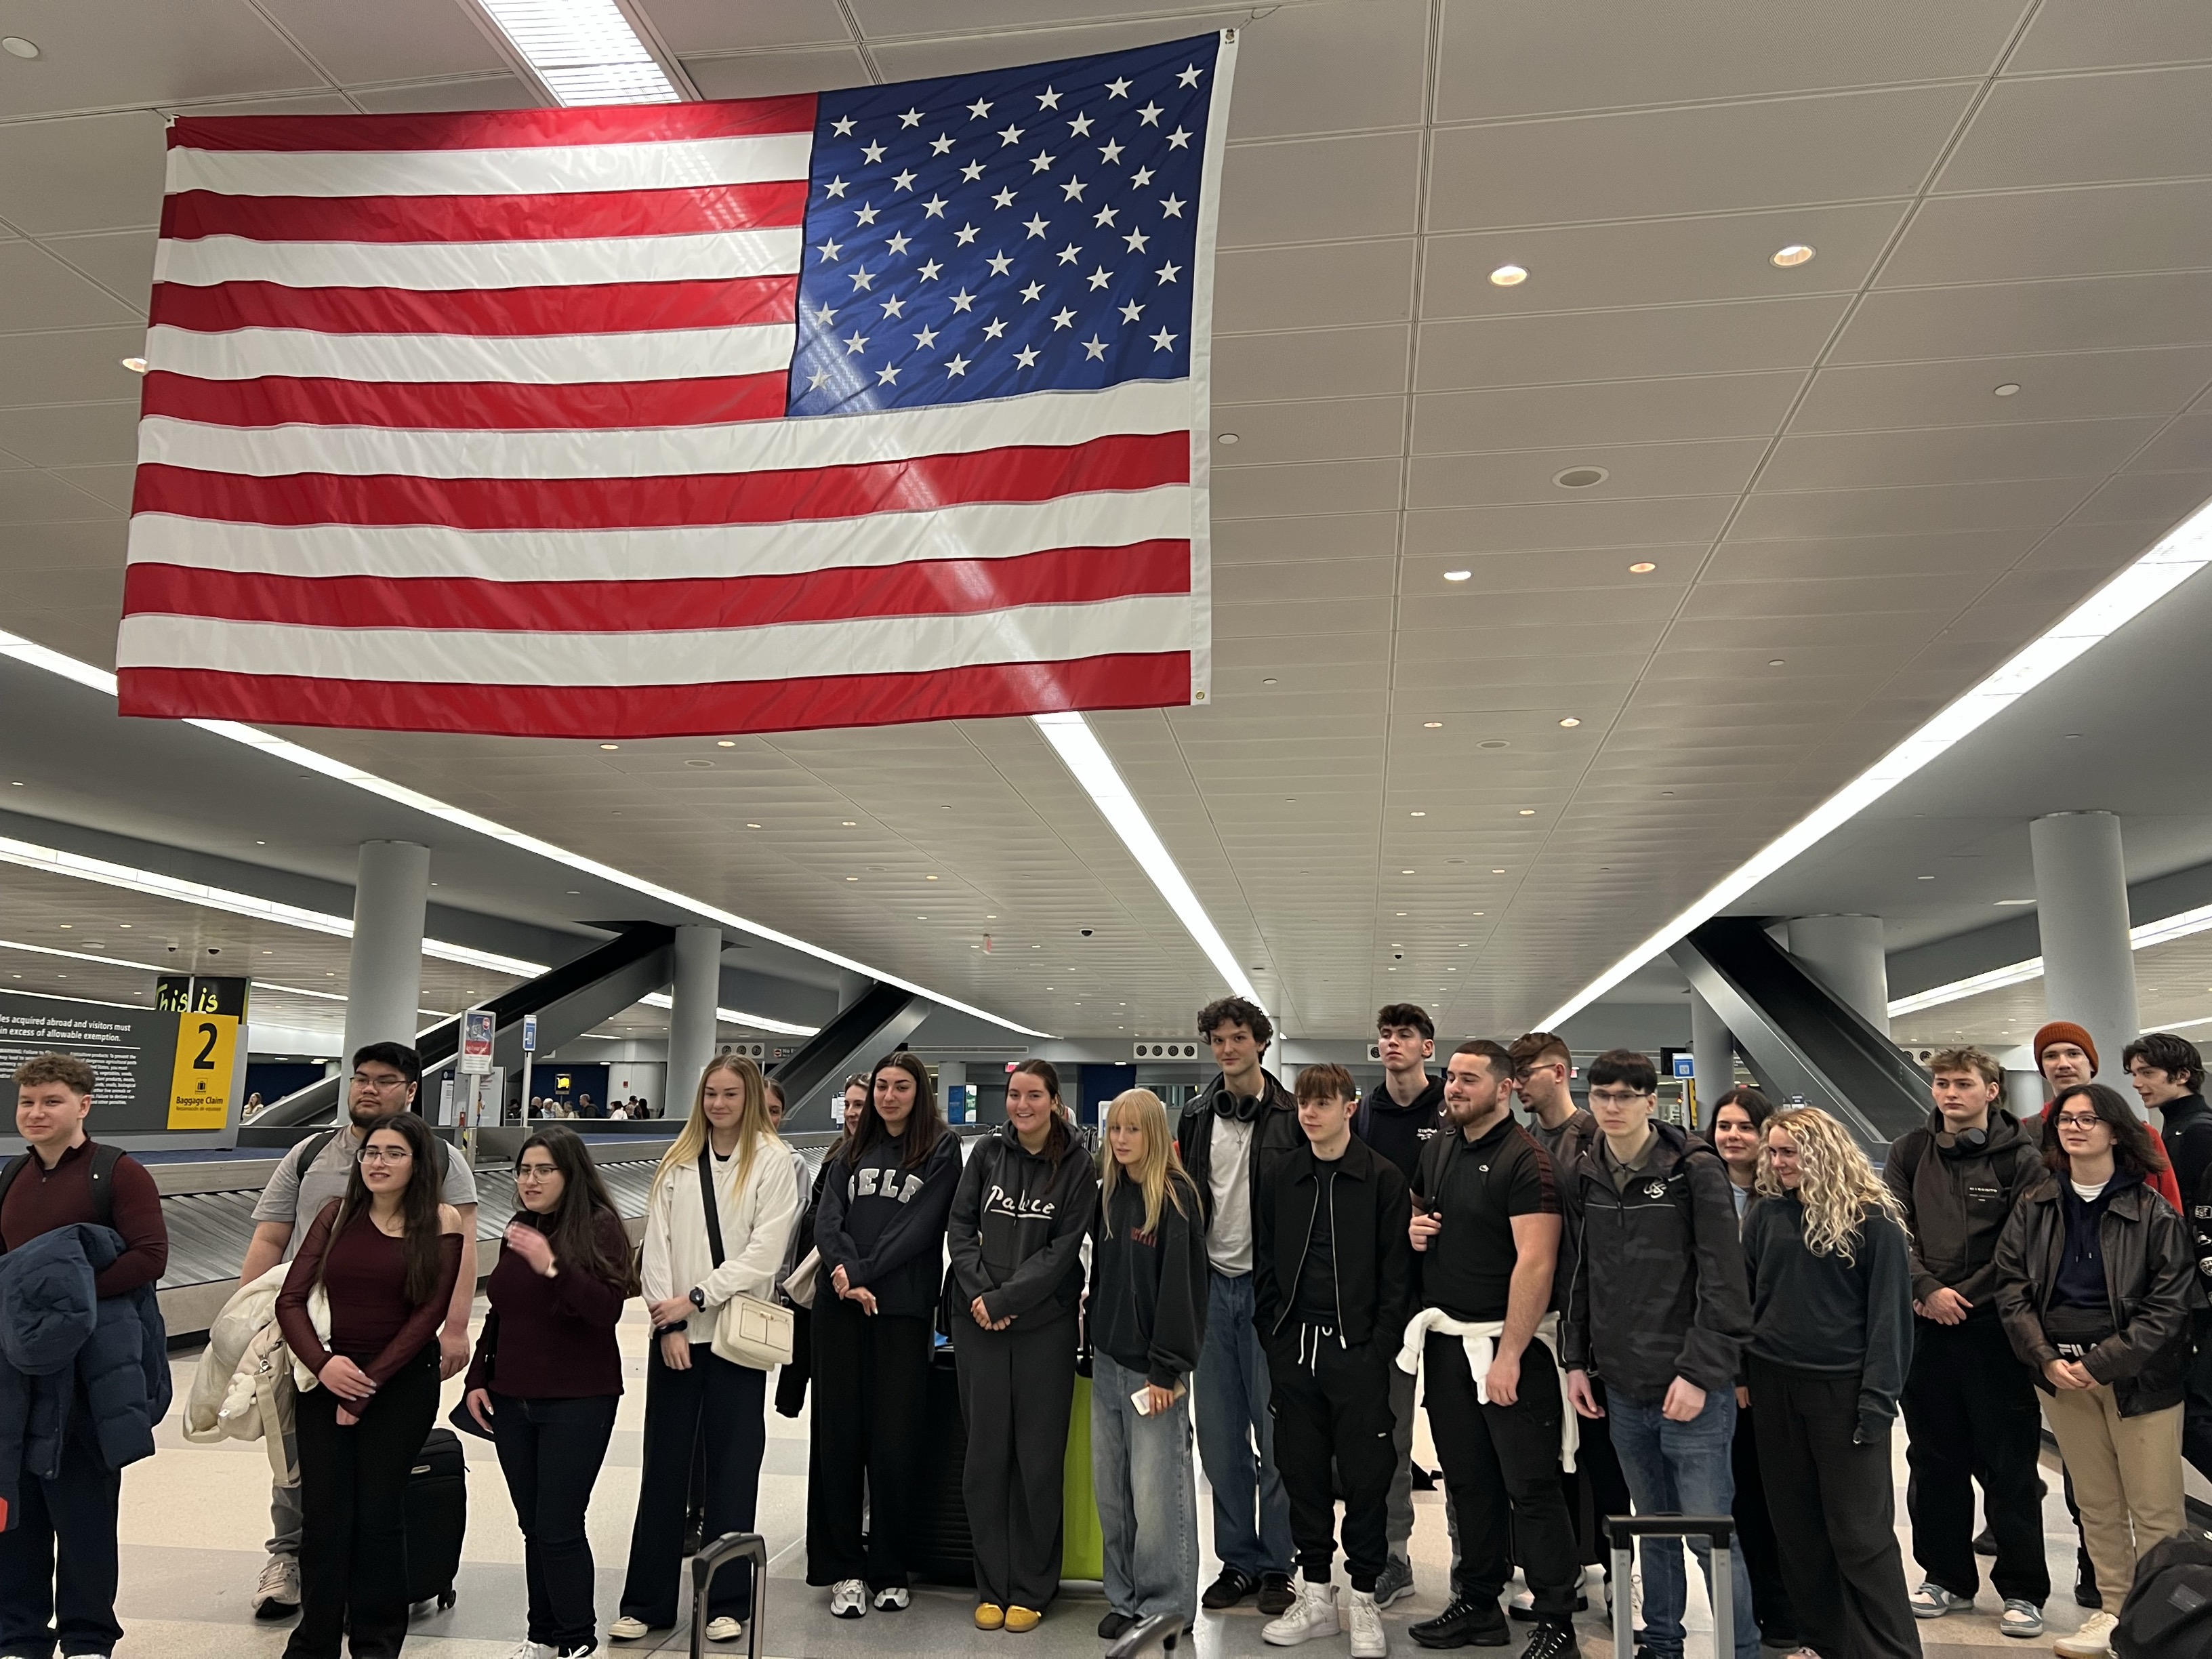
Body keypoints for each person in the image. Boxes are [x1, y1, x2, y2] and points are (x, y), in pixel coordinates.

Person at [239, 1042, 480, 1621]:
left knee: (372, 1477)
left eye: (385, 1081)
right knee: (297, 1460)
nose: (369, 1090)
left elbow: (462, 1249)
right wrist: (250, 1319)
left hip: (394, 1338)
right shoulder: (309, 1155)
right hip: (309, 1336)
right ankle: (289, 1558)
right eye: (361, 1079)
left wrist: (456, 1327)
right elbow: (272, 1241)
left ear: (411, 1091)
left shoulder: (440, 1160)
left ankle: (364, 1589)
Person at [1559, 1048, 1757, 1659]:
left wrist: (1700, 1373)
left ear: (1652, 1100)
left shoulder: (1693, 1170)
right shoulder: (1586, 1171)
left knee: (1707, 1535)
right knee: (1653, 1531)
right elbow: (1580, 1273)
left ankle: (1738, 1648)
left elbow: (1725, 1282)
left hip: (1691, 1386)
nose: (1611, 1107)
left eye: (1625, 1095)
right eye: (1601, 1096)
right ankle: (1662, 1644)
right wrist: (1575, 1360)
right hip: (1621, 1382)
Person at [1995, 1082, 2200, 1659]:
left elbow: (2169, 1306)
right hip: (2059, 1376)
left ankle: (2158, 1625)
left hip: (2138, 1380)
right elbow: (2011, 1288)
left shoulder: (2150, 1210)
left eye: (2088, 1118)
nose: (2074, 1127)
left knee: (2156, 1507)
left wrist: (2101, 1364)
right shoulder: (2035, 1204)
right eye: (2066, 1118)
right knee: (2096, 1504)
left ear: (2115, 1130)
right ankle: (2112, 1614)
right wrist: (2045, 1359)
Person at [610, 1054, 798, 1645]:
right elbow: (656, 1249)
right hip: (678, 1340)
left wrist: (697, 1297)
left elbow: (764, 1254)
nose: (719, 1105)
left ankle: (728, 1600)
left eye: (730, 1095)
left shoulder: (772, 1164)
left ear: (749, 1101)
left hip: (734, 1339)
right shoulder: (678, 1164)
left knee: (733, 1469)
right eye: (711, 1094)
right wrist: (668, 1323)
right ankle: (647, 1600)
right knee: (664, 1470)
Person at [1403, 1039, 1578, 1659]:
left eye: (1469, 1080)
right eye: (1451, 1078)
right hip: (1450, 1342)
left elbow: (1537, 1261)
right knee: (1469, 1483)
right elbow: (1420, 1206)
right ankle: (1479, 1605)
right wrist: (1417, 1226)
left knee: (1530, 1487)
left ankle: (1558, 1621)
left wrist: (1510, 1353)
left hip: (1511, 1350)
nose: (1453, 1089)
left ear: (1504, 1088)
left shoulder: (1528, 1161)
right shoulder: (1442, 1145)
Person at [276, 1111, 468, 1659]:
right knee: (325, 1518)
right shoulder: (337, 1215)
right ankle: (314, 1642)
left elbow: (427, 1314)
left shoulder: (442, 1221)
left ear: (419, 1164)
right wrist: (323, 1365)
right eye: (371, 1153)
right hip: (326, 1378)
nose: (377, 1162)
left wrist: (364, 1389)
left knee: (379, 1514)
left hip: (400, 1385)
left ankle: (376, 1643)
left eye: (393, 1153)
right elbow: (290, 1299)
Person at [0, 1053, 171, 1659]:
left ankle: (87, 1635)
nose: (36, 1113)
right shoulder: (12, 1176)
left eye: (51, 1101)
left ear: (83, 1106)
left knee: (84, 1509)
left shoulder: (117, 1174)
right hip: (21, 1372)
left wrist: (68, 1305)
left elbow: (150, 1257)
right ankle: (18, 1634)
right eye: (27, 1102)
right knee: (16, 1504)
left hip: (91, 1372)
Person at [1884, 1046, 2049, 1637]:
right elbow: (1892, 1228)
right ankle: (1945, 1578)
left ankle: (2024, 1589)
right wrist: (1926, 1288)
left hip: (1995, 1331)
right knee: (1933, 1461)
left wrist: (1965, 1297)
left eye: (1962, 1084)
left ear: (1992, 1090)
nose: (1950, 1094)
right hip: (1925, 1327)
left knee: (2010, 1467)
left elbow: (2023, 1242)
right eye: (1941, 1084)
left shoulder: (2024, 1160)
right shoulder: (1909, 1151)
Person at [1743, 1107, 1917, 1659]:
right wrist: (1741, 1374)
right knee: (1797, 1531)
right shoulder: (1765, 1212)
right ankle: (1822, 1644)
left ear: (1824, 1152)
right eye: (1772, 1152)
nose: (1778, 1162)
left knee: (1860, 1536)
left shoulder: (1874, 1220)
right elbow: (1750, 1299)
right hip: (1775, 1387)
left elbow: (1891, 1319)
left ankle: (1890, 1651)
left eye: (1790, 1152)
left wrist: (1877, 1403)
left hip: (1843, 1392)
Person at [1255, 1063, 1412, 1659]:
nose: (1311, 1113)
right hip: (1295, 1346)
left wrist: (1376, 1349)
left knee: (1369, 1476)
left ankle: (1365, 1596)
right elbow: (1267, 1261)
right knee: (1302, 1471)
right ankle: (1317, 1594)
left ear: (1350, 1107)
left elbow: (1398, 1275)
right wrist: (1275, 1335)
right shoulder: (1281, 1174)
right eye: (1304, 1103)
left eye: (1324, 1103)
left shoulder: (1382, 1179)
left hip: (1358, 1352)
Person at [463, 1127, 637, 1659]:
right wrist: (477, 1378)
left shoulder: (600, 1228)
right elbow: (502, 1309)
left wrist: (552, 1265)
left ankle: (576, 1639)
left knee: (560, 1524)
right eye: (524, 1170)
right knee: (533, 1524)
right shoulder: (519, 1226)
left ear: (571, 1174)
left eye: (544, 1170)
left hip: (578, 1399)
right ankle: (541, 1634)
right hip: (512, 1397)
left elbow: (605, 1310)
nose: (530, 1180)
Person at [807, 1051, 964, 1617]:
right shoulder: (850, 1150)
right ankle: (844, 1569)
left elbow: (921, 1226)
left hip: (900, 1312)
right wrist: (845, 1276)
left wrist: (864, 1272)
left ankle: (890, 1567)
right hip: (840, 1311)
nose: (889, 1096)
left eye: (901, 1087)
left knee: (895, 1442)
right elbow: (827, 1221)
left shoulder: (941, 1151)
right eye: (881, 1087)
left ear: (919, 1093)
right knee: (840, 1441)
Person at [947, 1059, 1098, 1631]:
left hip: (1043, 1330)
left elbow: (1063, 1250)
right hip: (976, 1323)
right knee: (985, 1459)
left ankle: (1033, 1587)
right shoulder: (986, 1154)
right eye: (1014, 1095)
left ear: (1055, 1102)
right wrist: (981, 1294)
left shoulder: (1078, 1165)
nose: (1022, 1105)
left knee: (1037, 1461)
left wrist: (1007, 1300)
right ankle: (992, 1584)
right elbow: (960, 1227)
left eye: (1035, 1095)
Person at [1175, 996, 1303, 1616]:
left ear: (1260, 1042)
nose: (1227, 1049)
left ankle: (1281, 1563)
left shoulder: (1291, 1115)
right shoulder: (1198, 1115)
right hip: (1210, 1291)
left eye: (1237, 1038)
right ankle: (1238, 1561)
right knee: (1221, 1442)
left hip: (1270, 1298)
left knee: (1276, 1437)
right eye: (1217, 1040)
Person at [1506, 1029, 1625, 1619]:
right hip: (1539, 1317)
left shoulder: (1596, 1141)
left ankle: (1621, 1579)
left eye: (1526, 1071)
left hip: (1593, 1322)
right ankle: (1568, 1570)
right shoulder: (1520, 1142)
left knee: (1603, 1457)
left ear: (1559, 1071)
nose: (1519, 1082)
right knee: (1552, 1455)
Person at [1091, 1088, 1208, 1643]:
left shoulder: (1175, 1197)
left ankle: (1165, 1607)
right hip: (1109, 1364)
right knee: (1114, 1494)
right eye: (1115, 1129)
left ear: (1156, 1134)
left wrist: (1167, 1371)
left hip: (1152, 1374)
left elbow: (1182, 1293)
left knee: (1159, 1496)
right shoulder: (1113, 1193)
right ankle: (1125, 1596)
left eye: (1133, 1130)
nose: (1121, 1140)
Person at [1706, 1087, 1803, 1655]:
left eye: (1745, 1126)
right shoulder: (1701, 1189)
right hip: (1726, 1371)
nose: (1733, 1136)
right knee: (1740, 1497)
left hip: (1777, 1370)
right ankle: (1755, 1615)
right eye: (1724, 1125)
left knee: (1779, 1496)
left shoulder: (1788, 1196)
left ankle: (1790, 1610)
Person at [1354, 1006, 1445, 1609]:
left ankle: (1475, 1562)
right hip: (1386, 1300)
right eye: (1386, 1035)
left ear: (1427, 1048)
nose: (1392, 1044)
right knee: (1388, 1434)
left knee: (1466, 1437)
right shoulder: (1364, 1114)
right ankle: (1395, 1555)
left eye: (1404, 1035)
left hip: (1449, 1298)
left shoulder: (1450, 1110)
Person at [775, 1077, 869, 1421]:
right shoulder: (839, 1152)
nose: (851, 1113)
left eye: (860, 1105)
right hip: (824, 1273)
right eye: (848, 1105)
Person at [2035, 1023, 2182, 1210]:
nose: (2063, 1064)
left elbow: (2168, 1210)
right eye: (2051, 1056)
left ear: (2090, 1062)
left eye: (2074, 1053)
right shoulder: (2028, 1132)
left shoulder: (2139, 1134)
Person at [2123, 1031, 2212, 1207]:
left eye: (2147, 1073)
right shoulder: (2179, 1126)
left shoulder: (2199, 1132)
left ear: (2182, 1076)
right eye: (2134, 1074)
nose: (2136, 1083)